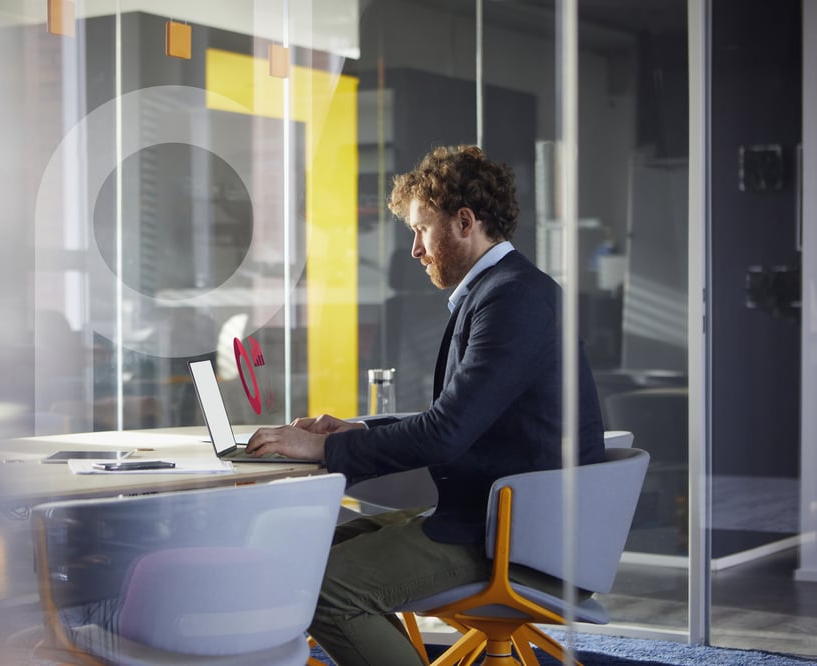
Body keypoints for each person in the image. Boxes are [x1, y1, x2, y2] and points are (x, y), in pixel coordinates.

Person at [246, 144, 605, 665]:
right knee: (305, 554)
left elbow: (446, 432)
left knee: (319, 588)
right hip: (491, 519)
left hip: (513, 540)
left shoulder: (513, 299)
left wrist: (317, 449)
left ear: (464, 222)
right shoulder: (502, 291)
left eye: (420, 229)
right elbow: (460, 421)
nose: (414, 249)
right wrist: (347, 434)